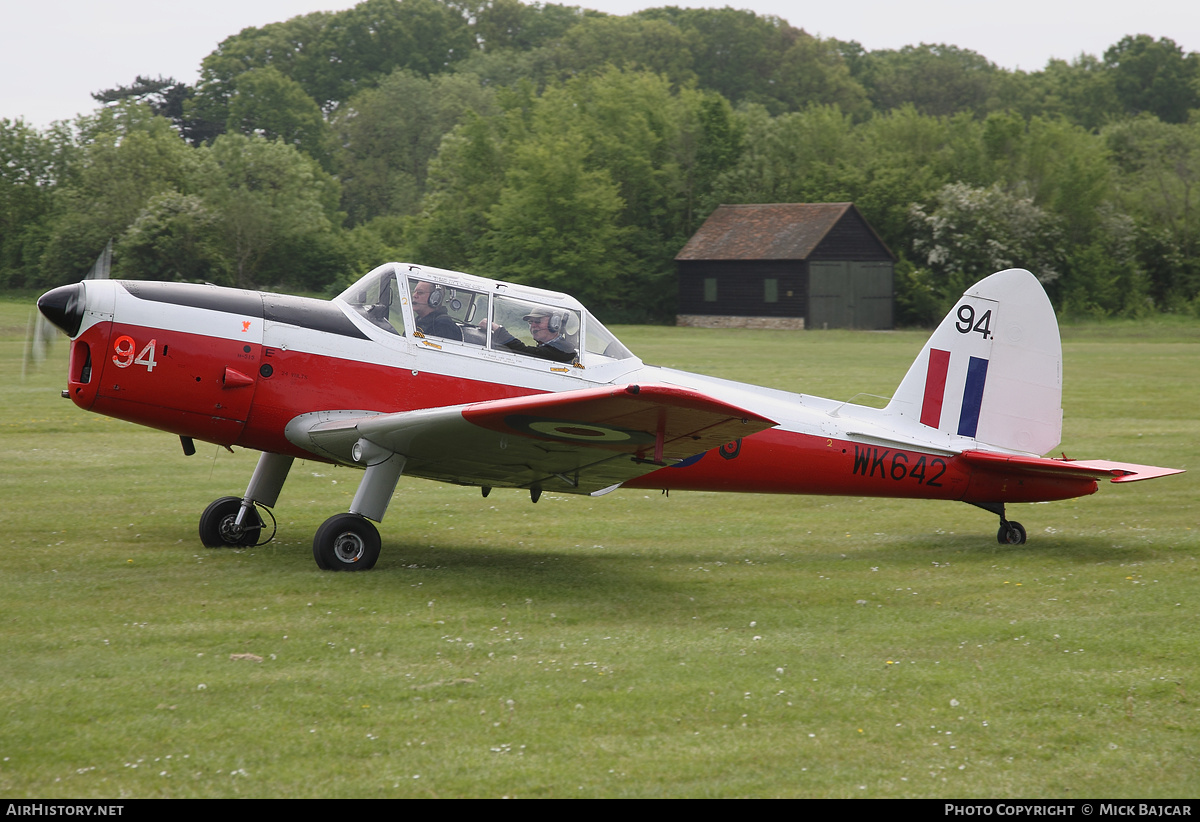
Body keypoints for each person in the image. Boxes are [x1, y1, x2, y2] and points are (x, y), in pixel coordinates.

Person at [486, 307, 577, 363]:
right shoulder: (549, 346)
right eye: (530, 322)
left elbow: (524, 351)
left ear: (554, 323)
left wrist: (498, 329)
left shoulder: (561, 349)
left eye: (537, 321)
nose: (533, 326)